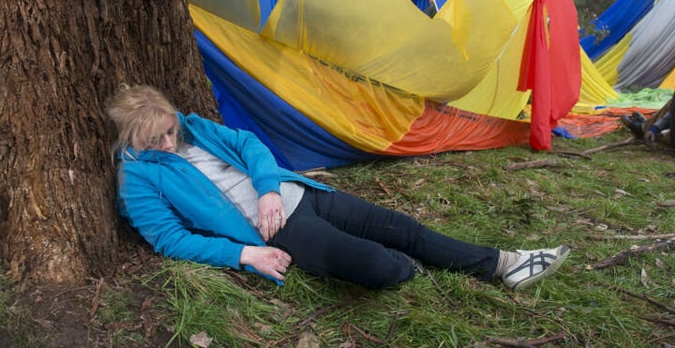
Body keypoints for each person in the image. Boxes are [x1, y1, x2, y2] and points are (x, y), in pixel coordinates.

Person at [106, 84, 570, 290]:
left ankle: (503, 264)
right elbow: (170, 239)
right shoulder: (138, 179)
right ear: (132, 140)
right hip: (274, 231)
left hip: (297, 193)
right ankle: (416, 268)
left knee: (401, 226)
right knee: (379, 266)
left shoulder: (192, 126)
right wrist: (245, 255)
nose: (169, 142)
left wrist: (268, 188)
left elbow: (249, 144)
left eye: (169, 130)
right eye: (156, 139)